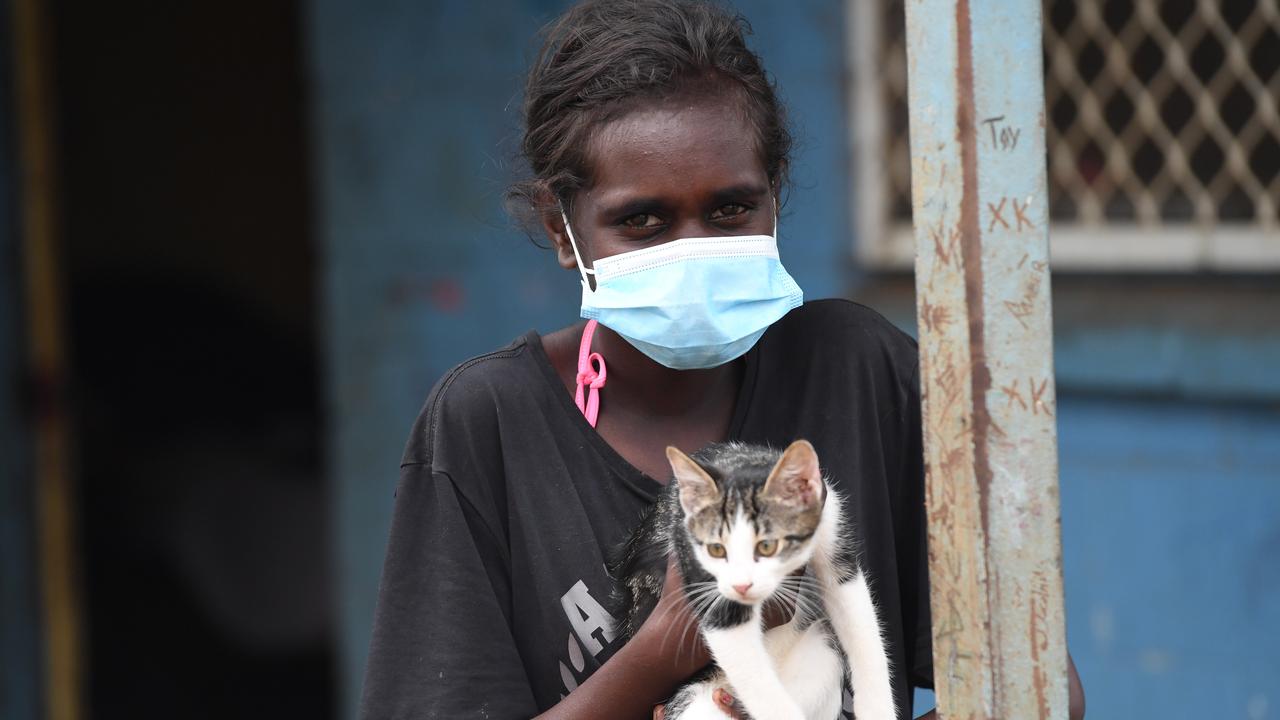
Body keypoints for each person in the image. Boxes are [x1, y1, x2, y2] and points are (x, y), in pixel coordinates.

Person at [357, 2, 1083, 719]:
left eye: (731, 210)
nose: (694, 247)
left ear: (775, 192)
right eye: (643, 220)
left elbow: (1033, 689)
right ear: (560, 226)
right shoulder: (488, 426)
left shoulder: (857, 372)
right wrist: (662, 647)